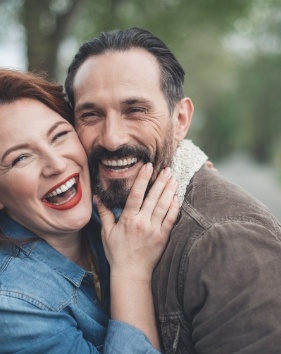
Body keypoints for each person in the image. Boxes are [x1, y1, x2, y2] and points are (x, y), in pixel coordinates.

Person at [0, 67, 180, 353]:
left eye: (59, 136)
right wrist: (131, 272)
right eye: (20, 158)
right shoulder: (2, 304)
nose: (56, 164)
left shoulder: (102, 214)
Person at [64, 27, 281, 353]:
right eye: (91, 114)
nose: (111, 138)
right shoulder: (93, 213)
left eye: (135, 110)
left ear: (180, 120)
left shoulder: (228, 240)